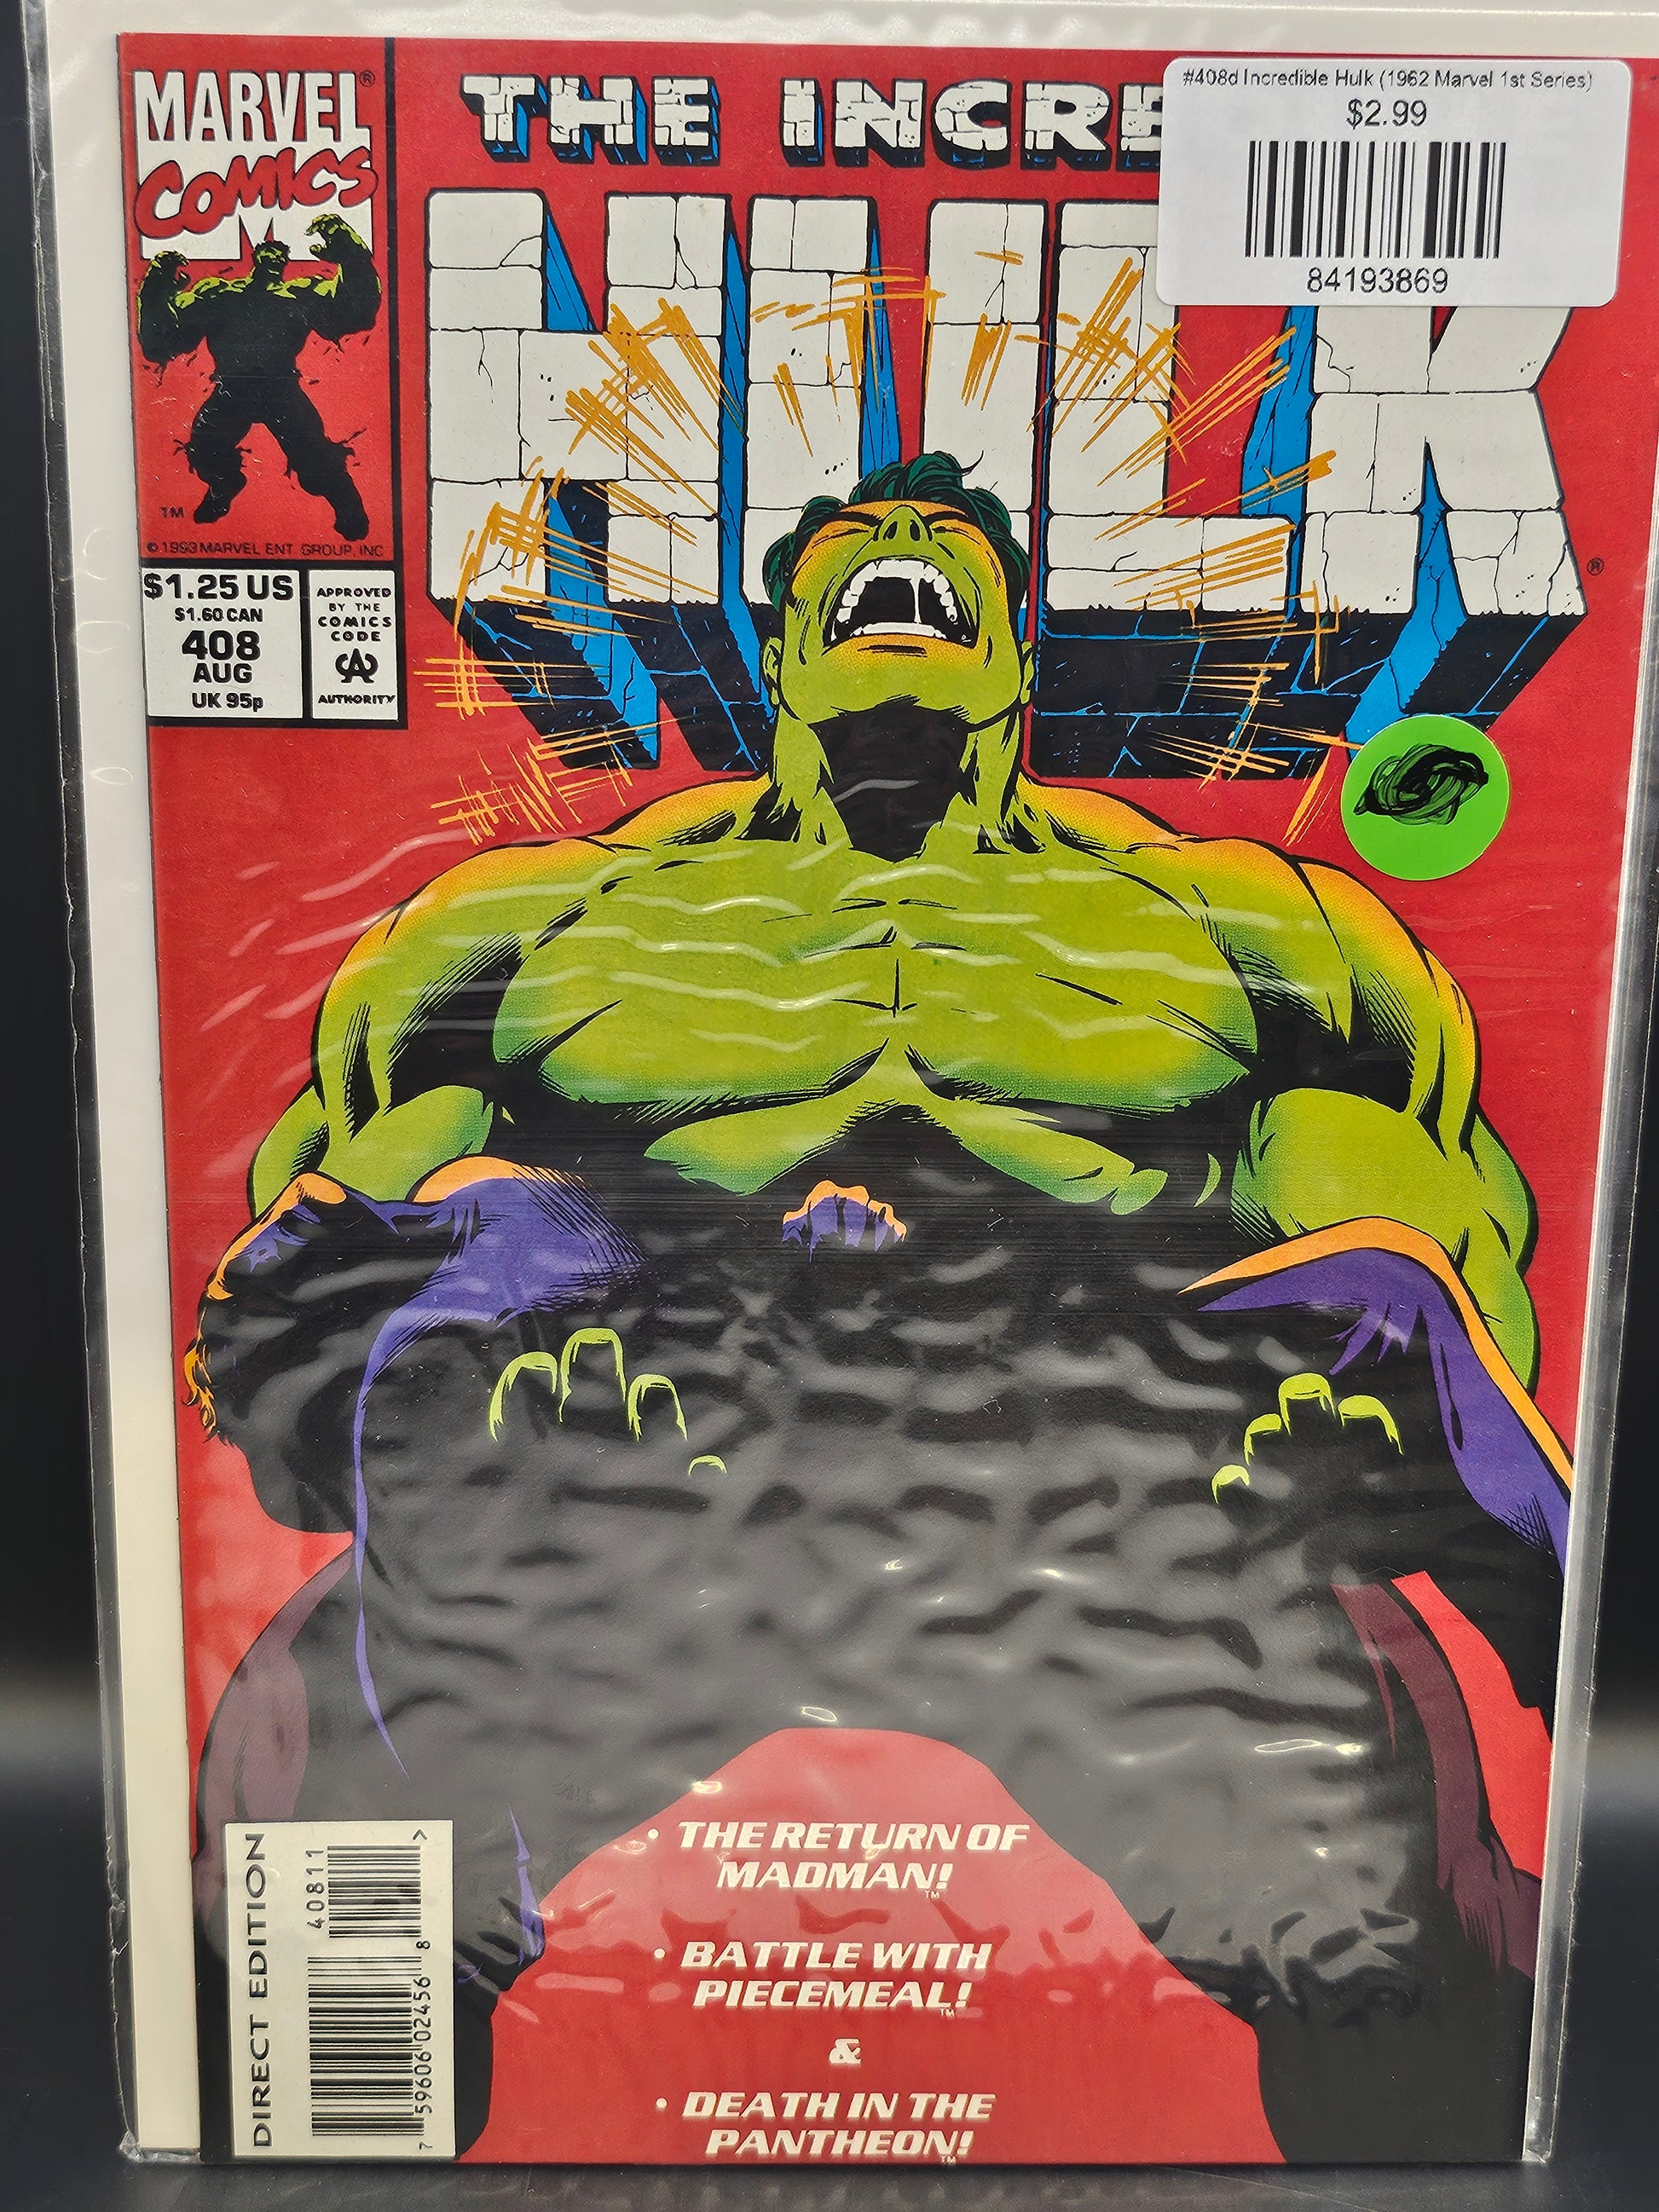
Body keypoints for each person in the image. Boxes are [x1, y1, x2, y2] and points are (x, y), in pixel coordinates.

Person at [189, 453, 1568, 2158]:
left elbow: (1424, 1229)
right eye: (863, 541)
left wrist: (1363, 1383)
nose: (907, 541)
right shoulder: (528, 930)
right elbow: (325, 1314)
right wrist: (399, 1346)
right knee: (295, 1934)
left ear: (1018, 649)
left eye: (946, 542)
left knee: (1417, 1997)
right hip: (626, 1498)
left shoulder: (1250, 933)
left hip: (1112, 1514)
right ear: (779, 648)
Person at [136, 213, 379, 538]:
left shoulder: (301, 296)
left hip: (280, 388)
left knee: (315, 460)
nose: (274, 256)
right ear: (255, 257)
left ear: (285, 263)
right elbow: (163, 341)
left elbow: (356, 311)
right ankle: (224, 486)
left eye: (280, 254)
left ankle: (350, 510)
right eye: (268, 251)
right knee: (205, 448)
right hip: (232, 390)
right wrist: (157, 288)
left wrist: (349, 252)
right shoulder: (220, 294)